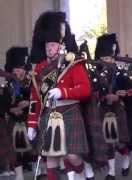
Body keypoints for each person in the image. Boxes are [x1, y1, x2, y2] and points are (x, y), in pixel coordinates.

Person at [27, 11, 91, 180]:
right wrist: (32, 124)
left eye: (53, 44)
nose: (49, 47)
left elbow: (85, 89)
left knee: (72, 156)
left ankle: (82, 172)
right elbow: (35, 98)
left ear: (61, 45)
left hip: (69, 112)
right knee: (51, 157)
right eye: (47, 44)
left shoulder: (73, 64)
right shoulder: (39, 69)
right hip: (48, 115)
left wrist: (64, 92)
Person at [93, 33, 132, 180]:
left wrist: (120, 94)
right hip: (103, 109)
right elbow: (92, 92)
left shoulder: (121, 73)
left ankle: (126, 158)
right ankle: (111, 173)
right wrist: (102, 96)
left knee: (120, 142)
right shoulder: (95, 75)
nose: (106, 62)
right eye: (103, 59)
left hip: (118, 109)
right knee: (107, 142)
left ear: (113, 57)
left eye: (109, 58)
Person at [5, 47, 33, 180]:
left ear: (25, 68)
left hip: (30, 118)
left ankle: (41, 172)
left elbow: (40, 99)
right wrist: (11, 109)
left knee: (35, 147)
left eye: (20, 68)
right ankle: (19, 176)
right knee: (14, 150)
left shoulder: (31, 82)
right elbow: (4, 103)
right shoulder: (7, 85)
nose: (17, 71)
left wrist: (28, 103)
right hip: (13, 121)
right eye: (14, 68)